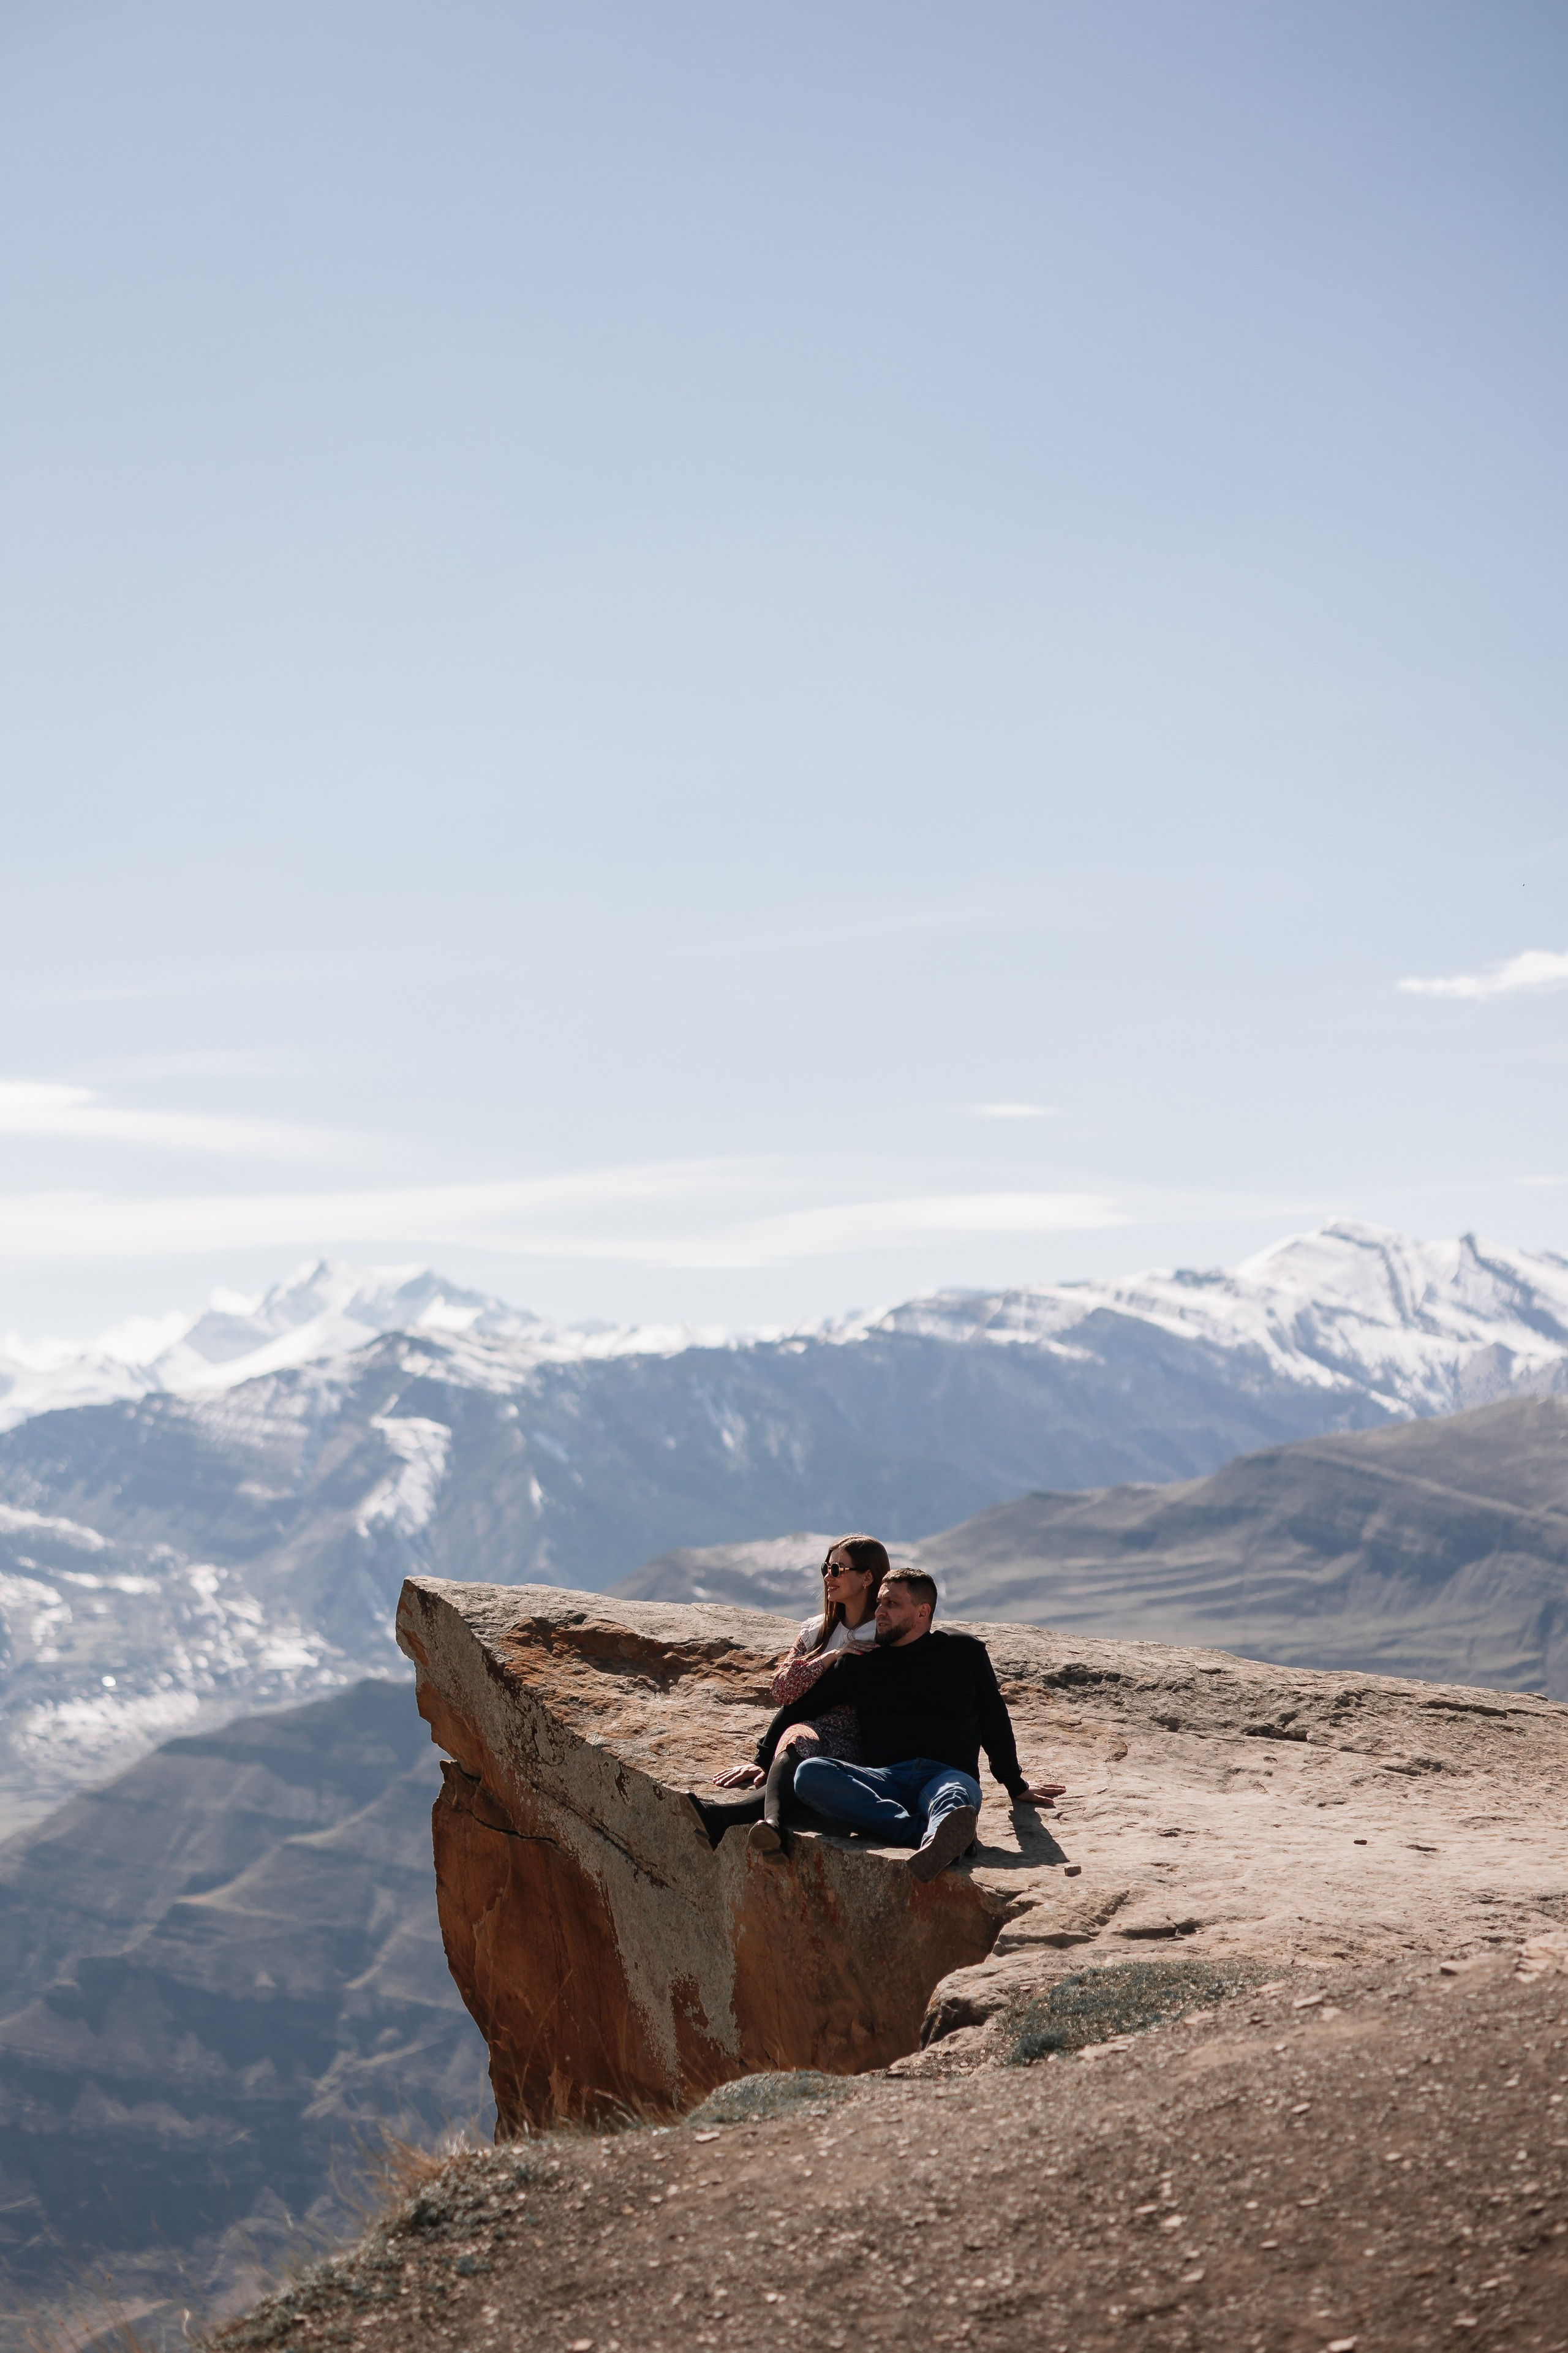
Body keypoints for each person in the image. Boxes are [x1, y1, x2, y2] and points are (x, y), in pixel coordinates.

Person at [749, 1566, 1065, 1881]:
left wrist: (1015, 1783)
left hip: (946, 1773)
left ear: (922, 1612)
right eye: (880, 1604)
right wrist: (763, 1759)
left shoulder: (962, 1652)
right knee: (810, 1773)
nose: (880, 1612)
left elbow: (993, 1718)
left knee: (953, 1797)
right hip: (885, 1778)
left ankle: (937, 1834)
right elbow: (798, 1707)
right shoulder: (862, 1661)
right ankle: (932, 1838)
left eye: (892, 1604)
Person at [699, 1536, 887, 1851]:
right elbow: (783, 1688)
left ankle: (724, 1817)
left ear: (868, 1577)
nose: (829, 1576)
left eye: (838, 1569)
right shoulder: (816, 1630)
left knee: (799, 1750)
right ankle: (753, 1823)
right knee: (797, 1742)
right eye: (826, 1568)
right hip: (809, 1728)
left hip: (858, 1738)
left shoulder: (886, 1633)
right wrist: (832, 1656)